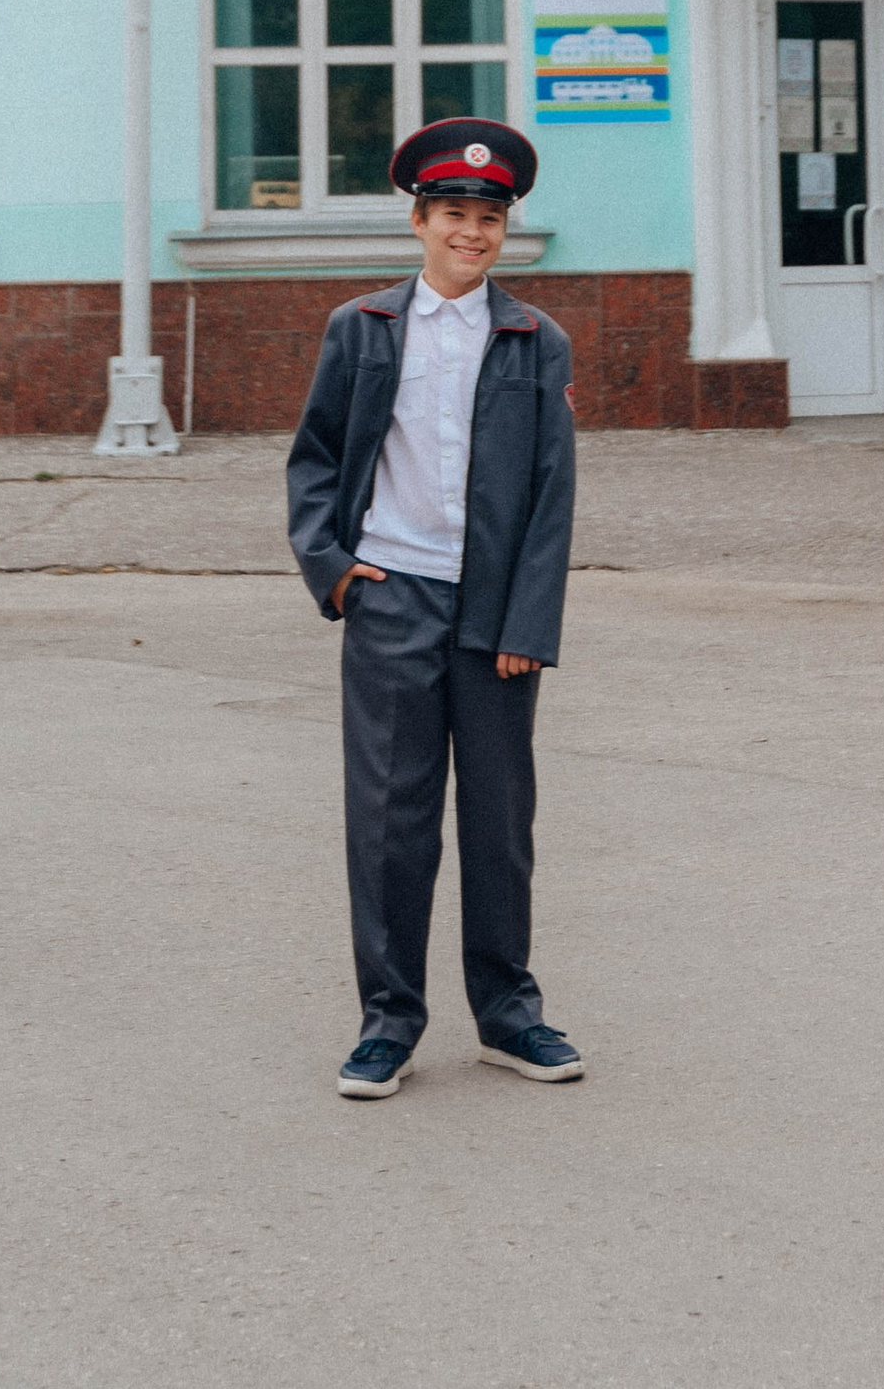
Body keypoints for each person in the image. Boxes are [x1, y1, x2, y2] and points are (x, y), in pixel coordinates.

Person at [285, 115, 581, 1097]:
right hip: (391, 598)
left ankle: (508, 1014)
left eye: (488, 216)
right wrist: (332, 568)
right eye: (453, 212)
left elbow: (550, 496)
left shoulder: (534, 340)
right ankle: (388, 1022)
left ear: (505, 229)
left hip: (492, 616)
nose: (471, 231)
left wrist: (526, 625)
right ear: (419, 220)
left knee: (498, 820)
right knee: (388, 817)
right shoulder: (362, 328)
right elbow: (319, 456)